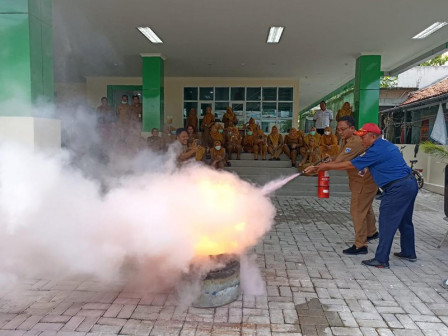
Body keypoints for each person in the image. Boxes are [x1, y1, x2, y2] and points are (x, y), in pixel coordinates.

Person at [304, 123, 418, 269]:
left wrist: (323, 167)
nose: (361, 140)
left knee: (387, 224)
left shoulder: (375, 151)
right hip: (409, 184)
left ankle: (381, 259)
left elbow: (350, 165)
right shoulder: (384, 145)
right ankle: (409, 252)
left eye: (363, 137)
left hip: (396, 189)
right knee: (404, 221)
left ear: (373, 136)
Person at [329, 116, 378, 255]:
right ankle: (371, 232)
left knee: (357, 211)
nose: (340, 132)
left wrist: (322, 166)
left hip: (363, 182)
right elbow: (339, 157)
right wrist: (331, 159)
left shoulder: (355, 141)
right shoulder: (346, 140)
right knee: (366, 208)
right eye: (338, 129)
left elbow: (340, 161)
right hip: (362, 181)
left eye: (343, 129)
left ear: (352, 128)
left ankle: (360, 245)